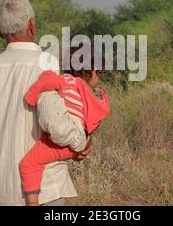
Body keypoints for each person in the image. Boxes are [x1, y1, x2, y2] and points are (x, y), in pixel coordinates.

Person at [0, 0, 91, 206]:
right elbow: (54, 122)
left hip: (0, 187)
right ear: (32, 25)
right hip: (43, 189)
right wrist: (80, 143)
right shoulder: (45, 63)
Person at [19, 47, 109, 206]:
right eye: (100, 73)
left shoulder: (66, 80)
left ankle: (33, 203)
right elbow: (93, 121)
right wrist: (84, 143)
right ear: (94, 71)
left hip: (58, 143)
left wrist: (30, 98)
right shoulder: (92, 95)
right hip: (75, 144)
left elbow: (46, 81)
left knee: (29, 164)